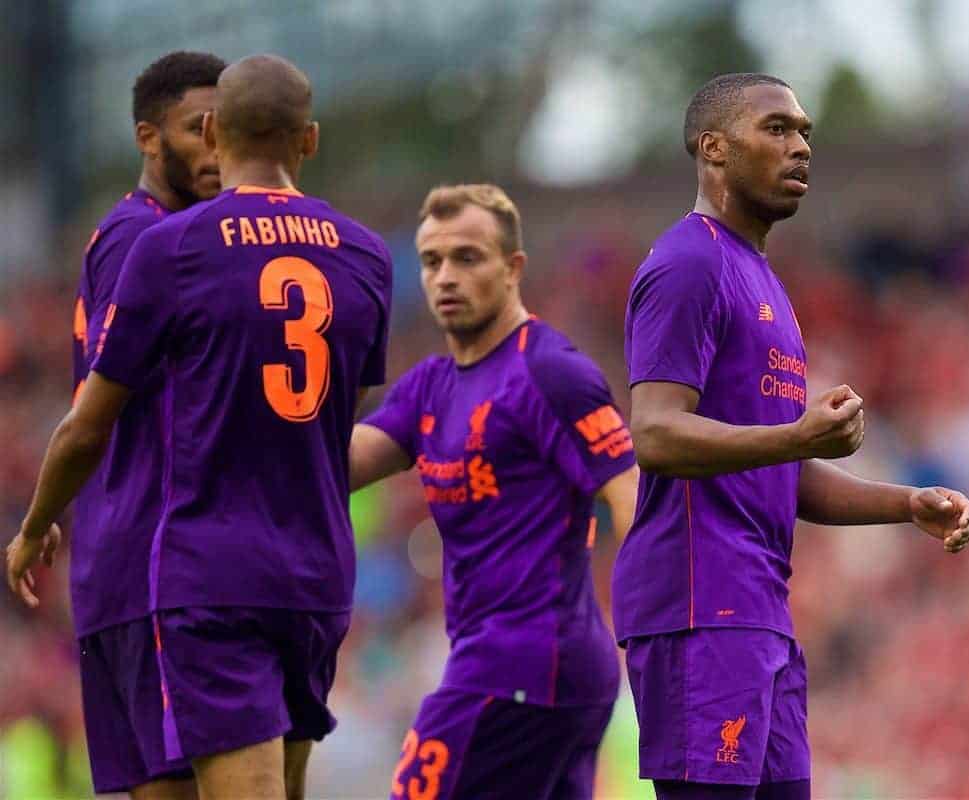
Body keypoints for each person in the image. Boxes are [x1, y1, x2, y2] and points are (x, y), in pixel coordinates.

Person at [6, 54, 394, 800]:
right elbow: (341, 414)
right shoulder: (367, 254)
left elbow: (89, 421)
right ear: (309, 140)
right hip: (312, 570)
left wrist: (37, 521)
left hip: (189, 572)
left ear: (218, 131)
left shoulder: (170, 245)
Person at [614, 73, 969, 800]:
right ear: (714, 149)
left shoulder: (762, 280)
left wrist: (906, 504)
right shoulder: (691, 264)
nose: (801, 145)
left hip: (757, 612)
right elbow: (653, 434)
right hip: (700, 606)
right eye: (777, 129)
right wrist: (797, 437)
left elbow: (782, 470)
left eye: (805, 131)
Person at [349, 183, 639, 800]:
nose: (446, 277)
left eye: (468, 257)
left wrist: (658, 624)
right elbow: (341, 463)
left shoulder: (551, 371)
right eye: (432, 261)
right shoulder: (429, 385)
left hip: (530, 660)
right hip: (510, 662)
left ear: (513, 269)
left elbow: (631, 492)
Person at [70, 49, 226, 800]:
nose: (217, 149)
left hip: (119, 567)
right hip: (159, 566)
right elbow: (103, 407)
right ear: (147, 137)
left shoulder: (135, 236)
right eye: (198, 130)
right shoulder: (149, 241)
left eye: (228, 130)